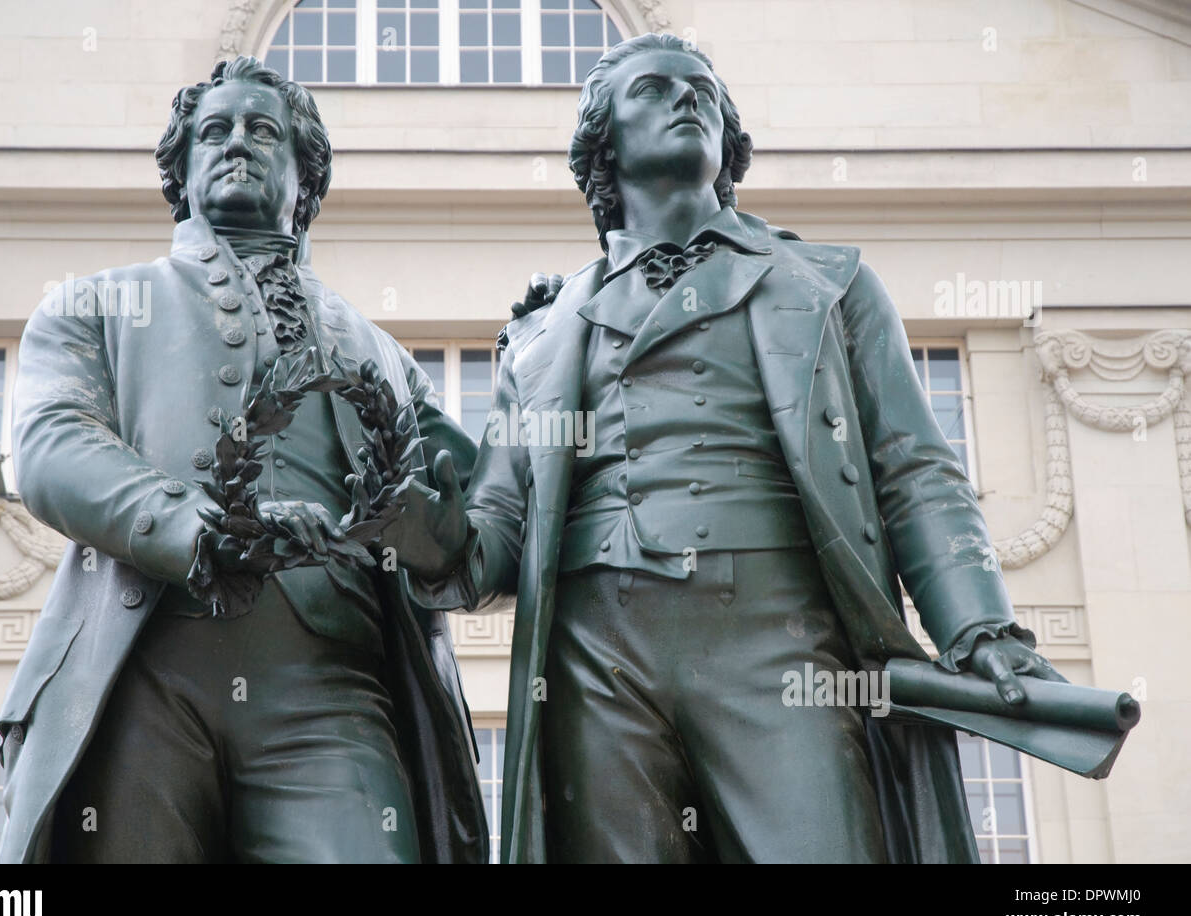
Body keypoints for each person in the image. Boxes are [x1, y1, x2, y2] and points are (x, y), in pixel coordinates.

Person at [397, 33, 1065, 863]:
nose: (688, 98)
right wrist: (417, 525)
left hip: (779, 638)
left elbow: (915, 469)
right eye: (655, 89)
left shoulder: (828, 281)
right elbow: (495, 534)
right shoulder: (540, 332)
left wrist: (981, 627)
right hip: (594, 659)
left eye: (704, 91)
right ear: (603, 144)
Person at [0, 56, 486, 863]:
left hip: (332, 685)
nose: (235, 143)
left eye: (263, 130)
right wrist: (196, 527)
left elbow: (472, 519)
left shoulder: (388, 357)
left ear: (307, 178)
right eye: (213, 131)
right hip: (143, 669)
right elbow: (50, 445)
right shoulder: (93, 304)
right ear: (180, 175)